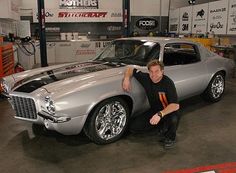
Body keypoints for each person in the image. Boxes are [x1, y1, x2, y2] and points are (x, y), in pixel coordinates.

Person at [122, 59, 180, 149]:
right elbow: (130, 68)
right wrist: (126, 79)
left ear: (162, 71)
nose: (153, 75)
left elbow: (175, 105)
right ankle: (160, 125)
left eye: (157, 71)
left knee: (174, 119)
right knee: (134, 127)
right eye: (151, 71)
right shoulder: (146, 78)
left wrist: (160, 114)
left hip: (168, 111)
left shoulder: (168, 83)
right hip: (154, 110)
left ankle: (170, 138)